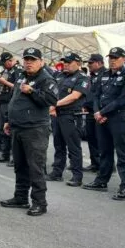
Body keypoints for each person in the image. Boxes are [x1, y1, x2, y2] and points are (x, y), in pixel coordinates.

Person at [0, 48, 58, 216]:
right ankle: (20, 197)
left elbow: (51, 100)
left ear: (41, 61)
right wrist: (8, 120)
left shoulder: (46, 79)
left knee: (35, 167)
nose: (28, 62)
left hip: (35, 129)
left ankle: (40, 202)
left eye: (32, 59)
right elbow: (15, 99)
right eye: (26, 59)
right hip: (18, 127)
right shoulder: (22, 76)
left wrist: (33, 91)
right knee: (20, 165)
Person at [83, 47, 125, 201]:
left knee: (122, 153)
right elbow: (96, 95)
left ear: (123, 59)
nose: (112, 60)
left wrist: (102, 112)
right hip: (102, 118)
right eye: (111, 57)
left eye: (116, 57)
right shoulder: (104, 75)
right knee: (104, 151)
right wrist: (97, 112)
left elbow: (123, 100)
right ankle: (101, 181)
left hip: (118, 118)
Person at [48, 53, 90, 186]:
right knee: (58, 144)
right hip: (57, 114)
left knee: (73, 146)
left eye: (69, 62)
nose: (65, 64)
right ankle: (57, 172)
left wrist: (55, 104)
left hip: (71, 115)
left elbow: (74, 96)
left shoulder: (82, 77)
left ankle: (77, 176)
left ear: (78, 63)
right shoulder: (59, 75)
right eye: (64, 62)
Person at [0, 52, 21, 162]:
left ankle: (15, 157)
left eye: (4, 63)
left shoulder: (18, 70)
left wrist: (4, 81)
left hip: (11, 103)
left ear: (9, 61)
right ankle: (5, 154)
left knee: (12, 130)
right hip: (2, 102)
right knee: (2, 128)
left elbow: (18, 87)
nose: (3, 66)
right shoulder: (6, 71)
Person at [83, 54, 105, 172]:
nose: (88, 65)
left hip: (101, 112)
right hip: (90, 111)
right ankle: (95, 163)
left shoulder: (105, 74)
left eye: (91, 63)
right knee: (91, 138)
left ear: (99, 63)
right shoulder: (91, 76)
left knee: (102, 140)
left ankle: (105, 165)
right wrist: (85, 105)